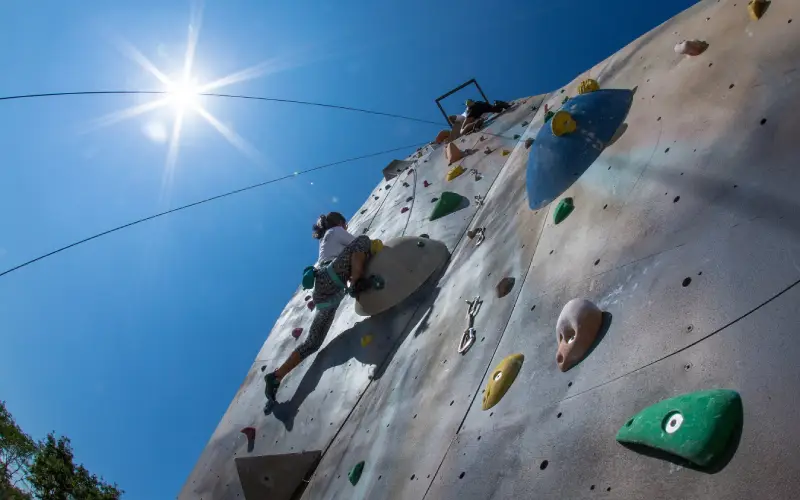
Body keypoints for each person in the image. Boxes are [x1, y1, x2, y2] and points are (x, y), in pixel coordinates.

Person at [264, 212, 371, 404]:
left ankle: (276, 376)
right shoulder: (337, 231)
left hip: (324, 291)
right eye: (344, 224)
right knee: (363, 241)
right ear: (341, 222)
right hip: (332, 276)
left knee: (313, 342)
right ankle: (357, 282)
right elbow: (357, 245)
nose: (345, 227)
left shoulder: (325, 240)